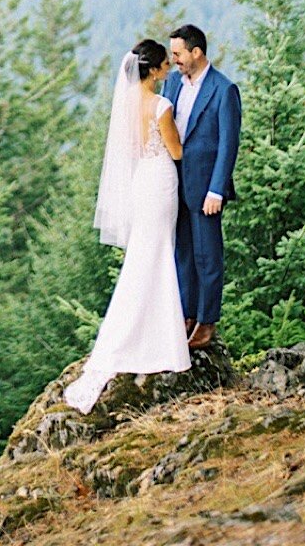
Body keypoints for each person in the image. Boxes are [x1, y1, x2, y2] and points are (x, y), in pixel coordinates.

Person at [64, 38, 191, 413]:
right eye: (165, 64)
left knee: (143, 256)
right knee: (158, 256)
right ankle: (158, 339)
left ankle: (141, 331)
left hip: (139, 185)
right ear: (153, 70)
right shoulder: (161, 106)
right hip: (160, 182)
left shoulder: (125, 104)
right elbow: (177, 151)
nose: (169, 69)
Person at [164, 24, 241, 350]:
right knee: (183, 253)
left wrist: (216, 190)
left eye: (178, 53)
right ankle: (187, 316)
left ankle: (207, 322)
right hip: (172, 182)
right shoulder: (172, 83)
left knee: (208, 256)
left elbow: (228, 143)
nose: (174, 59)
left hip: (205, 187)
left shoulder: (224, 90)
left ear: (197, 52)